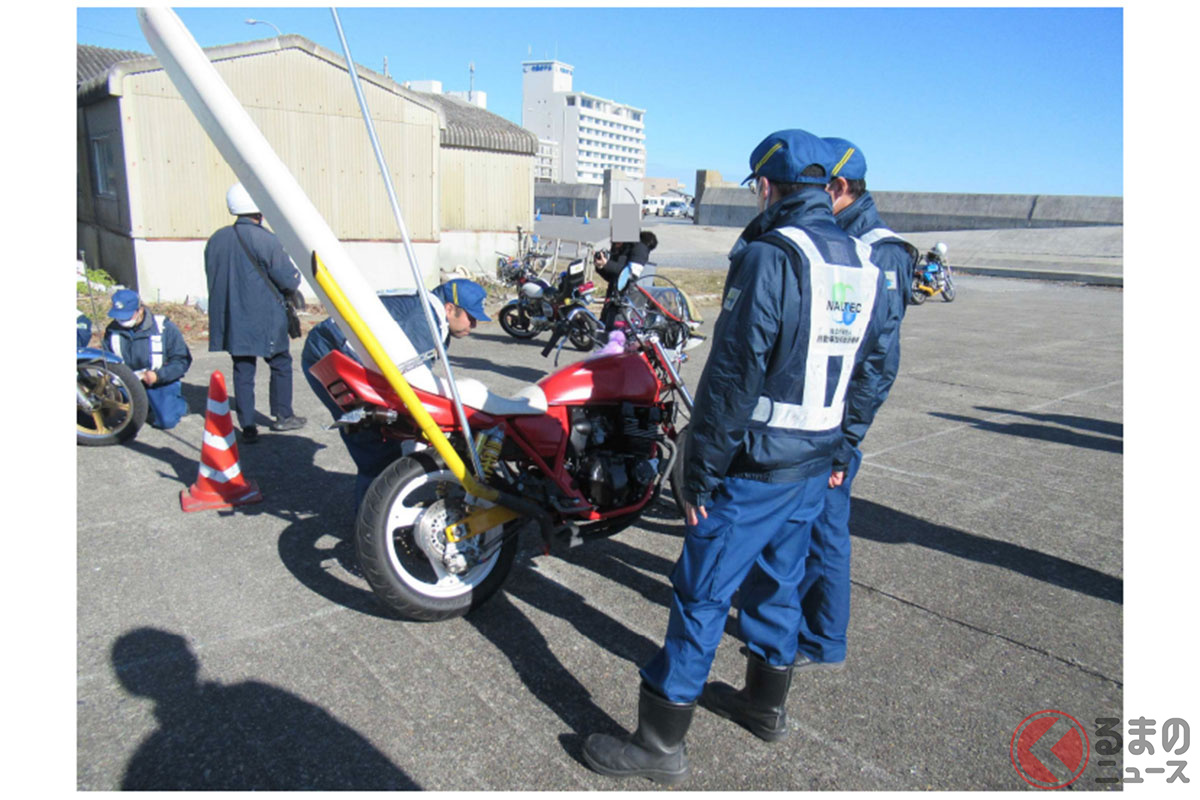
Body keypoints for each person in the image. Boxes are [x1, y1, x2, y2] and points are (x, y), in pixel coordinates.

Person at [581, 130, 894, 784]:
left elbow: (731, 377)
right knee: (779, 581)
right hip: (815, 463)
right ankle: (763, 706)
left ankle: (659, 745)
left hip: (755, 465)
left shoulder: (773, 254)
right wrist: (848, 440)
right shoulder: (865, 260)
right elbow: (874, 368)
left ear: (765, 185)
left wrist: (698, 475)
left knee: (702, 593)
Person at [789, 138, 922, 672]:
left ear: (839, 188)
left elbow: (878, 362)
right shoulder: (840, 238)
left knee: (825, 529)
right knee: (805, 526)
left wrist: (846, 443)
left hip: (835, 425)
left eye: (819, 188)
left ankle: (823, 639)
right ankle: (797, 619)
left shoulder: (879, 250)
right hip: (812, 416)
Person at [301, 279, 489, 509]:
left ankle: (376, 505)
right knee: (375, 443)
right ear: (450, 308)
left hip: (336, 347)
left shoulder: (429, 312)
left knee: (386, 431)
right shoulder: (421, 322)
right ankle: (371, 526)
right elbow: (408, 383)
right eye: (471, 317)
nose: (474, 325)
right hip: (331, 354)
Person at [204, 182, 307, 444]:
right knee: (281, 363)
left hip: (233, 316)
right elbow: (287, 281)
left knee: (243, 368)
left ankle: (247, 425)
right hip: (265, 316)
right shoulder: (267, 240)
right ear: (258, 211)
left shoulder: (216, 239)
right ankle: (283, 416)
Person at [102, 288, 193, 429]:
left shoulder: (164, 327)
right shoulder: (112, 331)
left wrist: (158, 376)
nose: (122, 321)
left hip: (158, 382)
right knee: (110, 420)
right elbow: (107, 360)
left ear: (140, 310)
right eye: (119, 317)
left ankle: (177, 404)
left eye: (127, 316)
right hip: (128, 383)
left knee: (166, 421)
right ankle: (144, 405)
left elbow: (182, 360)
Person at [594, 231, 658, 329]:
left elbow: (632, 274)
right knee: (604, 330)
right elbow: (612, 276)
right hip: (614, 297)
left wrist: (607, 264)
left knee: (622, 333)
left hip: (633, 299)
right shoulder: (618, 247)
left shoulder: (640, 247)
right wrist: (601, 267)